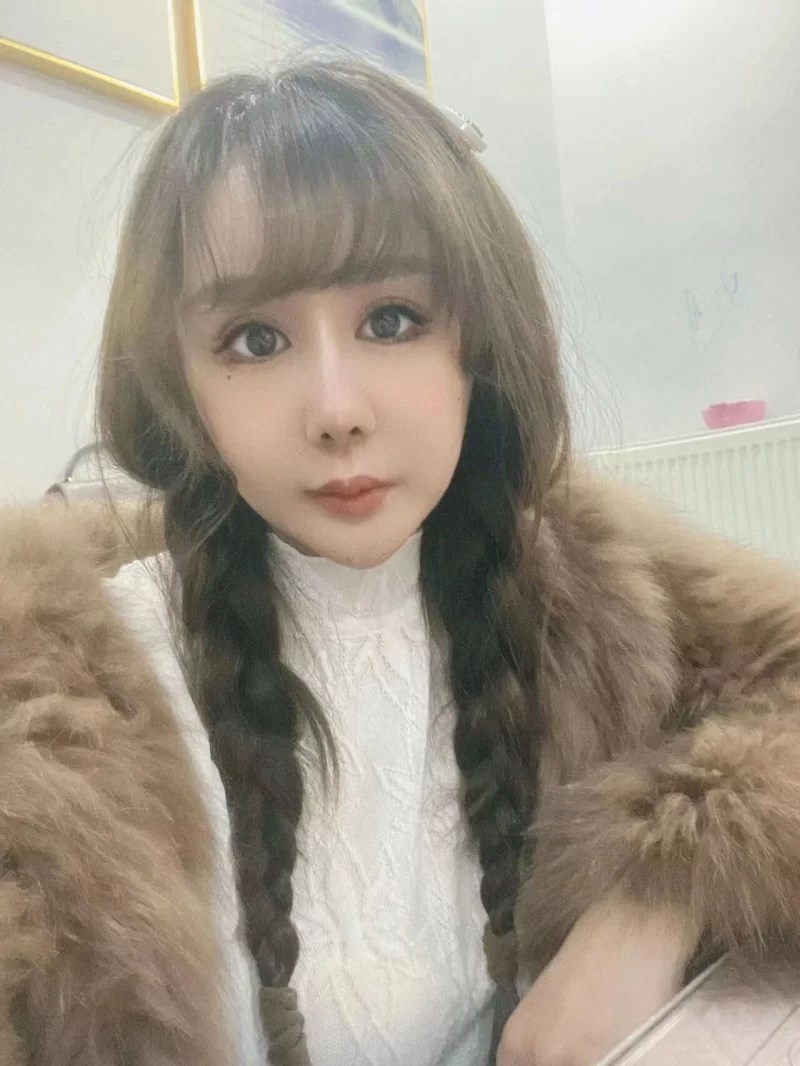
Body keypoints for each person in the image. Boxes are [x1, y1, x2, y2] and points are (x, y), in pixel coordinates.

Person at [1, 57, 799, 1066]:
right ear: (177, 382)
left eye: (391, 321)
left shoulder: (591, 589)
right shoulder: (52, 710)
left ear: (477, 343)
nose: (337, 410)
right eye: (254, 340)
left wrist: (656, 899)